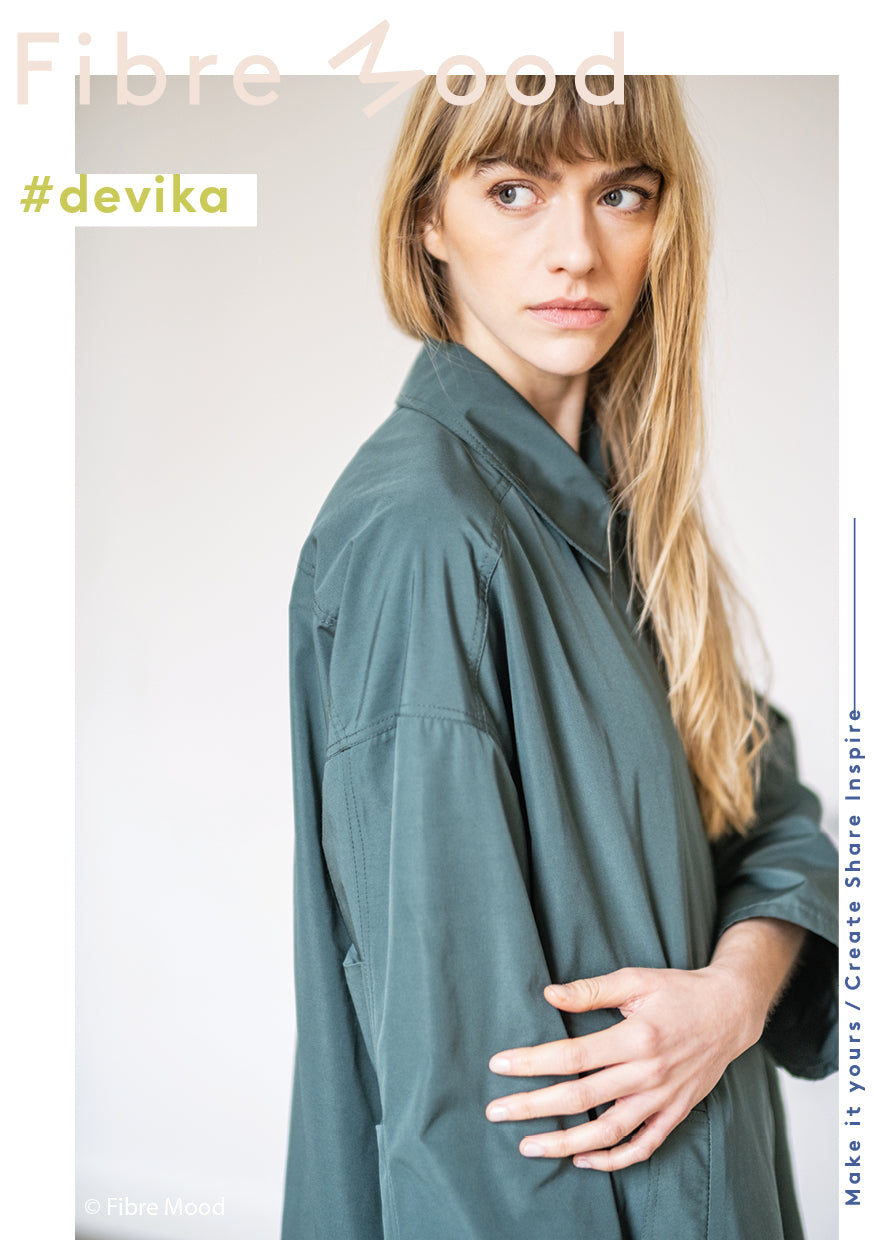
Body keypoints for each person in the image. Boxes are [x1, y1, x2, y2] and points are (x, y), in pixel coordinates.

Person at [280, 75, 838, 1239]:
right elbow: (476, 1109)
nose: (576, 249)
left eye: (620, 192)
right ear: (428, 219)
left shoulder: (625, 523)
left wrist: (734, 996)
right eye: (514, 190)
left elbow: (772, 810)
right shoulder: (428, 536)